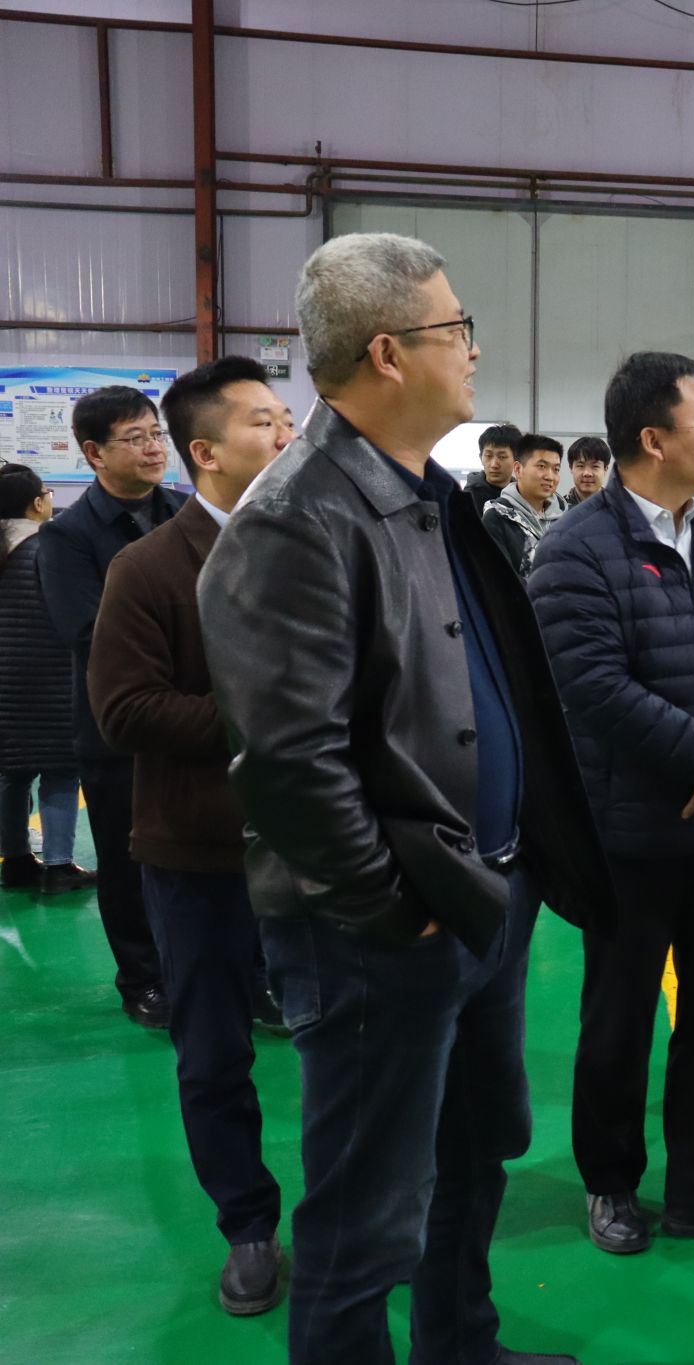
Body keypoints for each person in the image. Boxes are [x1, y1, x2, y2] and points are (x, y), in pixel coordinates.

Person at [198, 232, 613, 1365]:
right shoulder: (297, 518)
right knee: (361, 1220)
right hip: (381, 934)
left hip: (477, 901)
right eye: (456, 328)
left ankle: (460, 1346)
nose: (473, 349)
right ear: (387, 352)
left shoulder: (424, 495)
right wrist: (394, 908)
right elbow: (289, 763)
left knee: (471, 1161)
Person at [529, 352, 694, 1255]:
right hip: (630, 841)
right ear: (653, 438)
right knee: (617, 1023)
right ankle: (611, 1182)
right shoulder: (575, 551)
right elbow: (593, 689)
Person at [88, 356, 292, 1316]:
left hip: (320, 848)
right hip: (201, 855)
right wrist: (269, 719)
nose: (284, 435)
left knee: (347, 1041)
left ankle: (358, 1215)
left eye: (286, 418)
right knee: (214, 1054)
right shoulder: (148, 568)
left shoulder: (315, 547)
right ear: (205, 451)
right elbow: (125, 709)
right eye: (262, 421)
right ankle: (247, 1223)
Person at [39, 385, 182, 1027]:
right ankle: (143, 979)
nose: (153, 448)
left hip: (193, 720)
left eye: (156, 434)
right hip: (116, 728)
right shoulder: (68, 536)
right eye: (135, 438)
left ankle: (234, 973)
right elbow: (88, 632)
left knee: (207, 853)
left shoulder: (185, 513)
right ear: (94, 453)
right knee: (127, 865)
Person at [0, 465, 94, 895]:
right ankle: (58, 865)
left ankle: (15, 860)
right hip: (50, 678)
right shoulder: (48, 548)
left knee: (11, 773)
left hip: (5, 686)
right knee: (61, 770)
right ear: (37, 503)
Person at [481, 432, 564, 577]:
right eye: (541, 466)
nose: (550, 476)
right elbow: (498, 579)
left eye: (556, 469)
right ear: (518, 469)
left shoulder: (565, 518)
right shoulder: (497, 517)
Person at [466, 421, 521, 515]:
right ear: (481, 458)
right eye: (488, 456)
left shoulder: (522, 497)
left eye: (502, 457)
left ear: (517, 460)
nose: (494, 464)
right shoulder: (468, 498)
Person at [562, 436, 610, 508]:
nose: (587, 473)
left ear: (605, 469)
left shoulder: (619, 508)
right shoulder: (558, 509)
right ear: (571, 468)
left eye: (595, 466)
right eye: (580, 466)